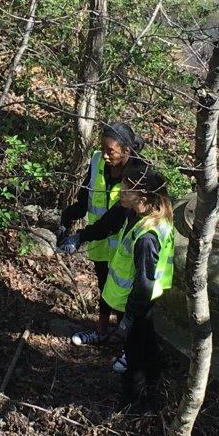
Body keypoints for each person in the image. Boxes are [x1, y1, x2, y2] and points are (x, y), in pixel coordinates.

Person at [59, 164, 175, 411]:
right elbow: (107, 224)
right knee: (146, 345)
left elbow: (144, 284)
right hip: (134, 302)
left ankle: (129, 408)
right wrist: (80, 237)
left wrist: (128, 319)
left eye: (126, 189)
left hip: (137, 303)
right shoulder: (136, 213)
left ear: (141, 197)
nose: (121, 192)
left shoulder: (147, 236)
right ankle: (154, 383)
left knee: (134, 358)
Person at [58, 122, 144, 355]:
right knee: (104, 287)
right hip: (101, 245)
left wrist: (81, 236)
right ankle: (102, 332)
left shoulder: (137, 173)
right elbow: (86, 198)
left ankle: (130, 350)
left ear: (126, 150)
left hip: (126, 248)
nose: (105, 155)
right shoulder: (98, 161)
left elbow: (116, 219)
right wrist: (67, 219)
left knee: (124, 297)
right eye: (103, 149)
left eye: (111, 151)